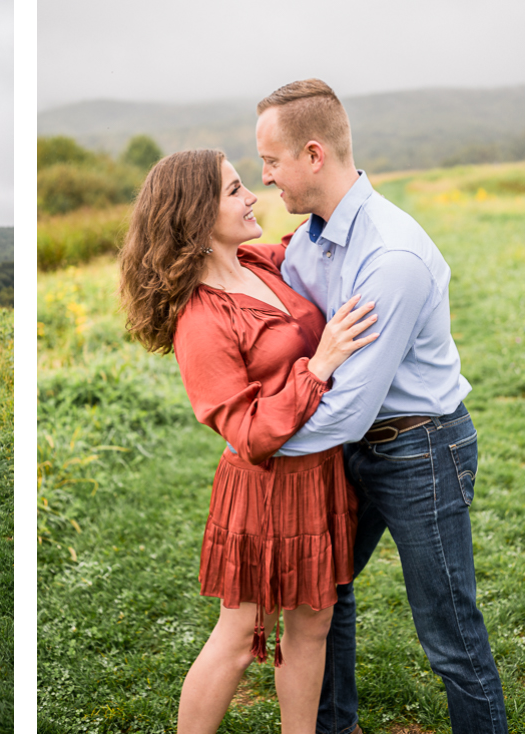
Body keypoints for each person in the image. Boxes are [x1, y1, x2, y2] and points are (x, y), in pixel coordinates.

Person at [255, 79, 506, 734]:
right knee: (323, 600)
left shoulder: (390, 253)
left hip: (421, 450)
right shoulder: (307, 242)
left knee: (450, 636)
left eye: (271, 161)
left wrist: (259, 441)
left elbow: (348, 411)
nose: (265, 177)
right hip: (350, 451)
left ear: (314, 155)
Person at [118, 149, 378, 734]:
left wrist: (345, 190)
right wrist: (322, 362)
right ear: (194, 213)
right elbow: (249, 432)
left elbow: (311, 243)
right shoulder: (201, 318)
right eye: (235, 191)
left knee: (312, 626)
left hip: (318, 473)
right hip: (265, 487)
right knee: (238, 636)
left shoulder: (256, 264)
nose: (251, 197)